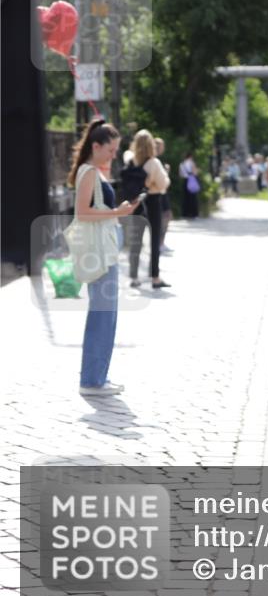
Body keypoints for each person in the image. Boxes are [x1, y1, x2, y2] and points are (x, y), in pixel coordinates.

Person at [69, 119, 141, 395]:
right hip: (99, 254)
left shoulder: (94, 171)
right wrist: (117, 213)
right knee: (102, 315)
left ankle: (97, 377)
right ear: (96, 146)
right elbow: (83, 213)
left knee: (106, 315)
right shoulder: (88, 172)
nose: (114, 156)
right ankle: (92, 380)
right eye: (110, 150)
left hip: (105, 252)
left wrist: (118, 210)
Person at [125, 130, 171, 289]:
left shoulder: (131, 161)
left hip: (136, 202)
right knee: (154, 240)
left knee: (135, 241)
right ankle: (155, 277)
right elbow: (163, 185)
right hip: (153, 202)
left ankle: (133, 276)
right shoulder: (154, 163)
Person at [155, 138, 173, 254]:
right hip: (159, 194)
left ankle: (161, 243)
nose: (163, 148)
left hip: (162, 194)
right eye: (161, 146)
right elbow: (160, 180)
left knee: (166, 217)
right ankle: (159, 243)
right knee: (164, 218)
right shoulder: (155, 161)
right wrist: (166, 172)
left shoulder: (157, 160)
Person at [179, 152, 200, 218]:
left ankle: (185, 213)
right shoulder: (191, 163)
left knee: (185, 198)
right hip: (191, 181)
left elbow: (181, 174)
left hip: (185, 181)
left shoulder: (182, 164)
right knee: (193, 198)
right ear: (190, 157)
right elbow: (195, 173)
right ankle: (193, 214)